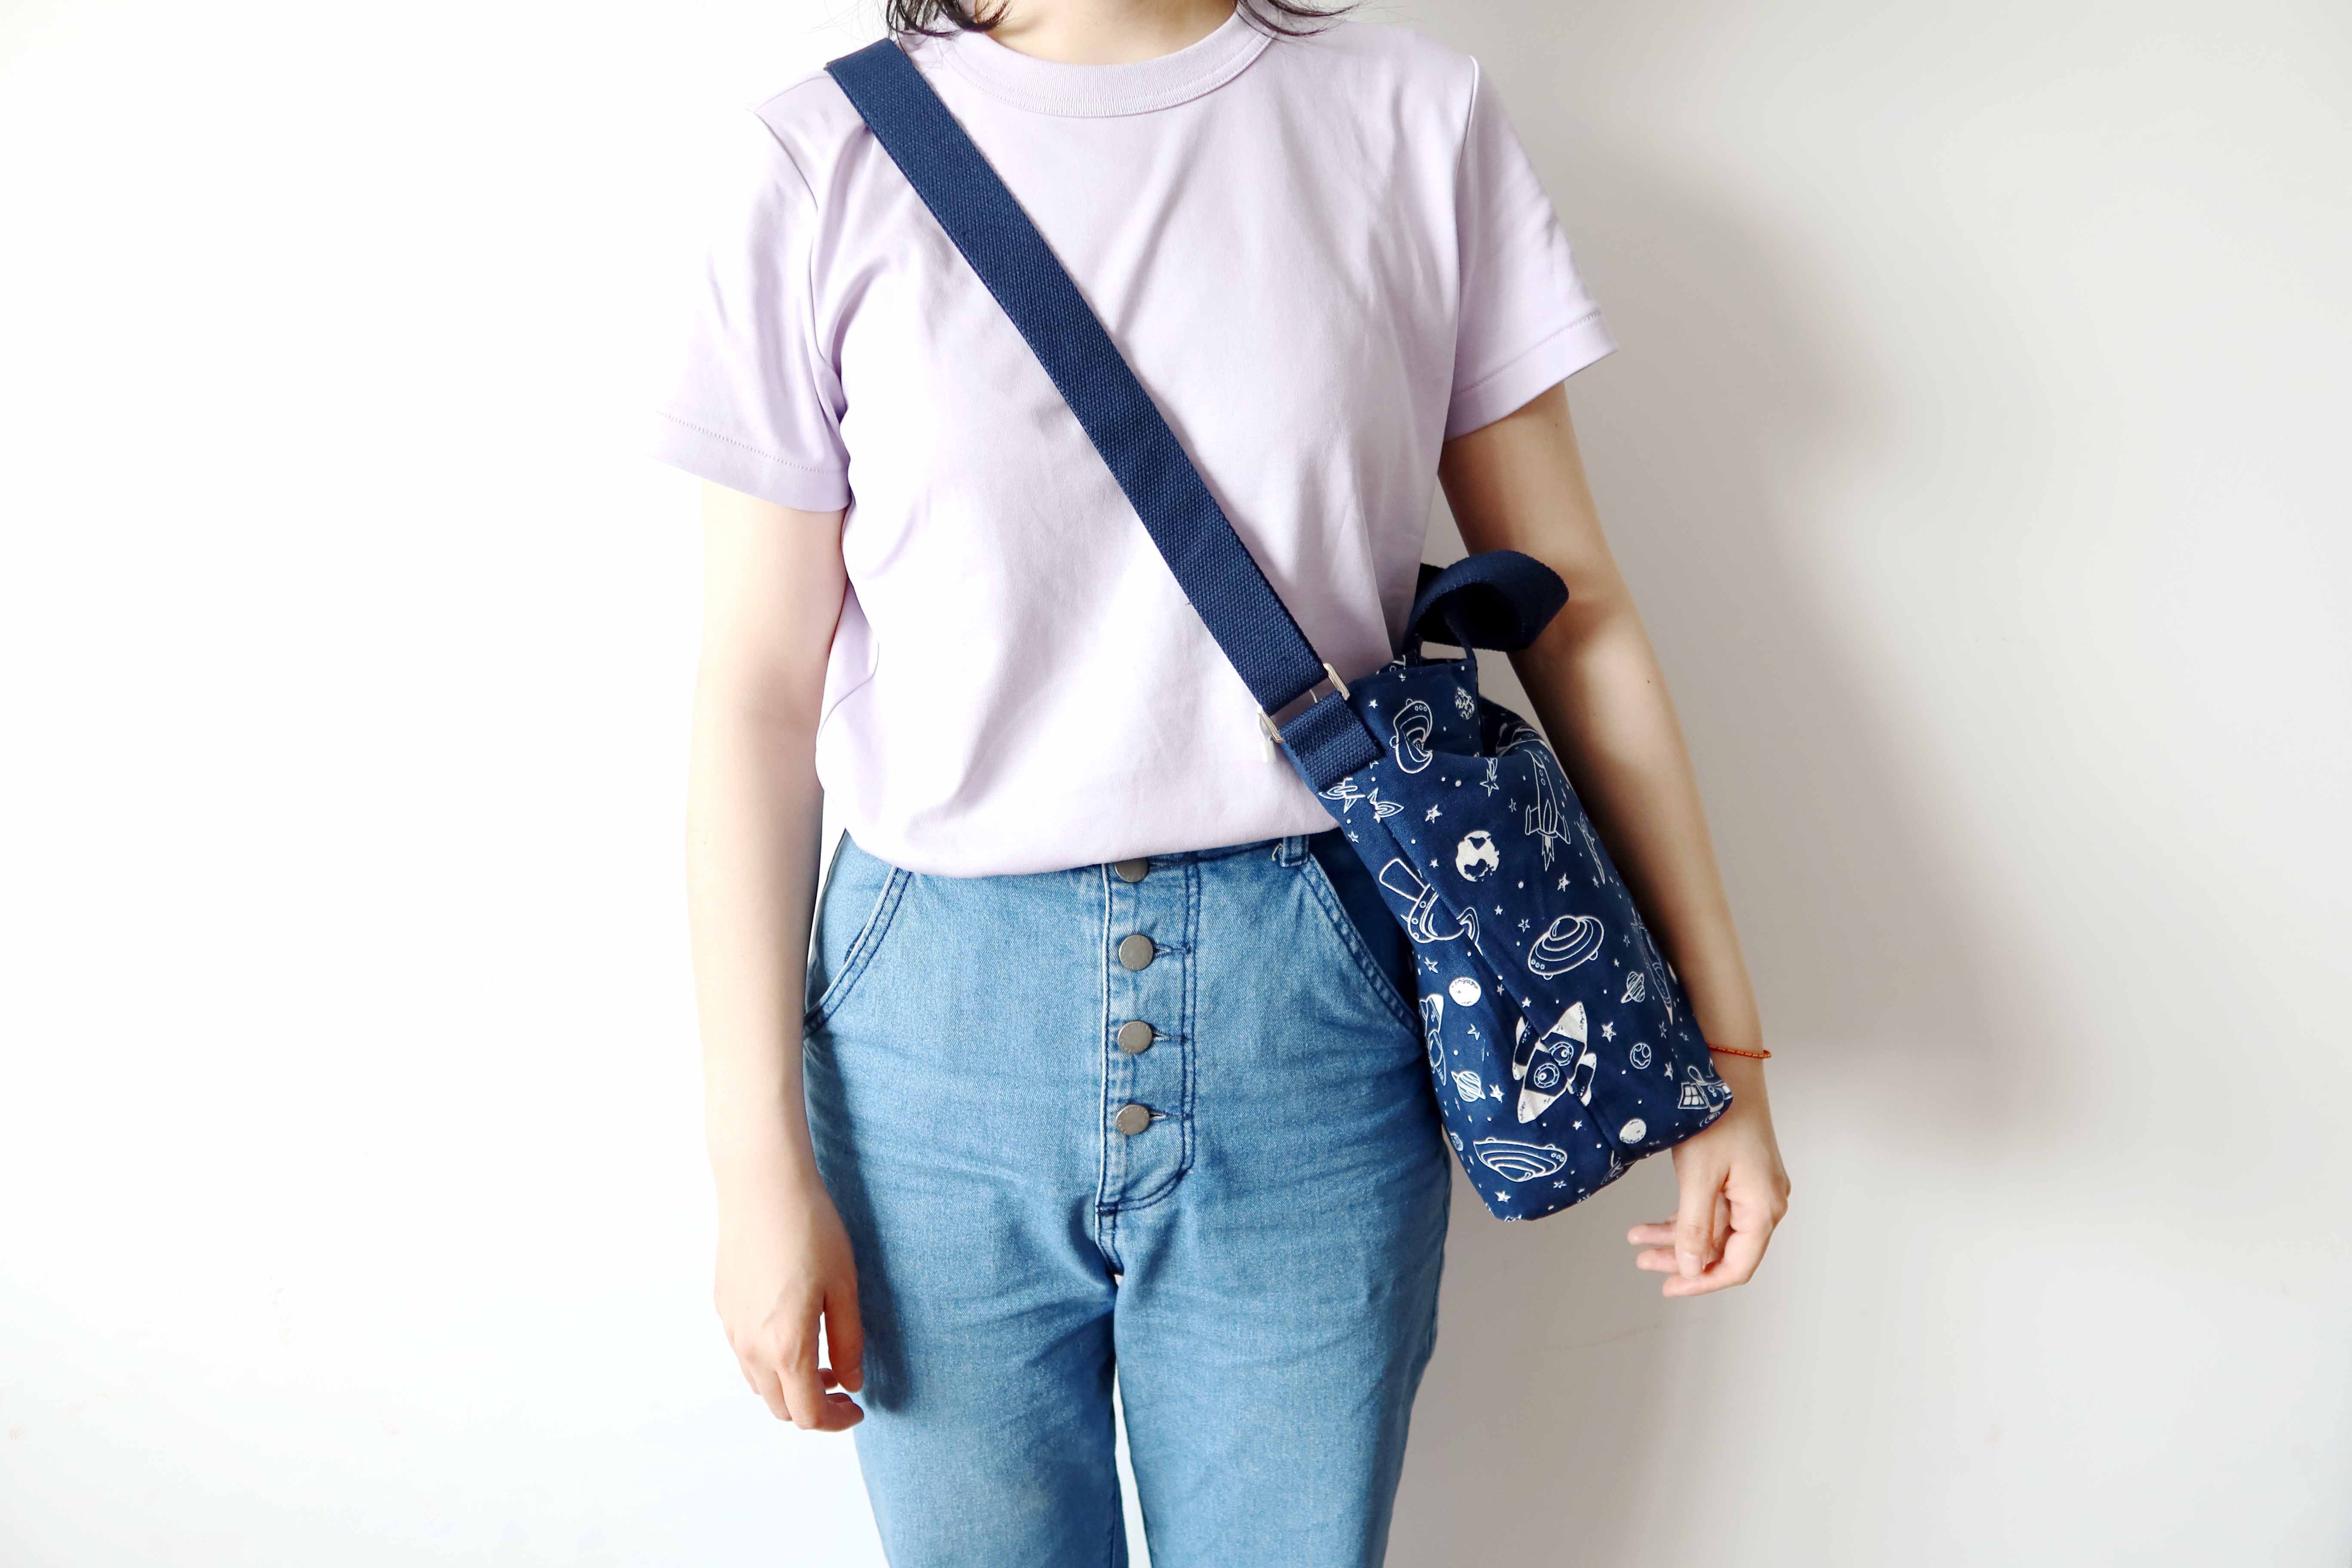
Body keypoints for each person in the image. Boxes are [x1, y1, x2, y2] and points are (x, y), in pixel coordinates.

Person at [654, 0, 1790, 1562]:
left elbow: (1569, 612)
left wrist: (1719, 1056)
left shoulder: (1414, 120)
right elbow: (754, 698)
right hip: (932, 1031)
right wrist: (752, 1170)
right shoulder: (818, 158)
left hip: (1312, 1013)